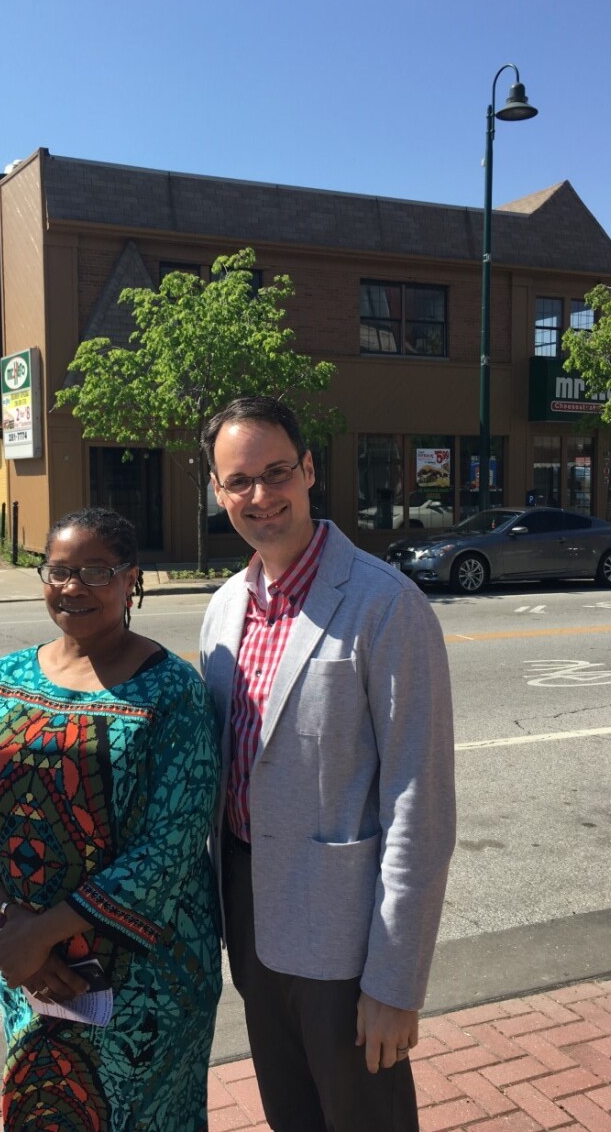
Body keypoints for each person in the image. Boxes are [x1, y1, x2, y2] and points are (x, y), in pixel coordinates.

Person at [199, 397, 456, 1132]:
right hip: (251, 924)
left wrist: (396, 982)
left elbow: (421, 804)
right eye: (238, 480)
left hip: (346, 945)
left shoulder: (386, 605)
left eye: (276, 471)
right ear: (218, 492)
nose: (260, 495)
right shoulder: (223, 608)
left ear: (309, 470)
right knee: (292, 1118)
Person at [0, 506, 221, 1131]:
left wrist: (39, 934)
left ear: (133, 582)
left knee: (140, 1116)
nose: (73, 587)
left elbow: (171, 846)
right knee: (44, 1104)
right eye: (60, 570)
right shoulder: (7, 675)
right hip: (31, 969)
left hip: (147, 978)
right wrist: (7, 922)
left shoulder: (173, 692)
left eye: (97, 571)